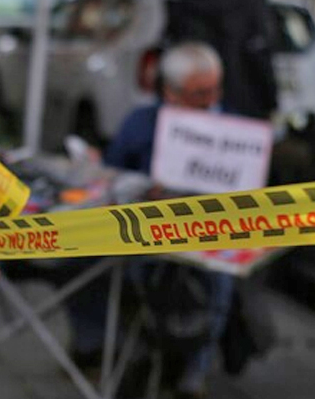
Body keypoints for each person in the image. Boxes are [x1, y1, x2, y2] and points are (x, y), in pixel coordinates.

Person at [105, 42, 234, 399]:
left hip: (211, 239)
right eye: (200, 94)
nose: (212, 100)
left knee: (220, 284)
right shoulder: (141, 123)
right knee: (124, 279)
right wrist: (142, 190)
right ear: (170, 92)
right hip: (148, 236)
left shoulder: (234, 126)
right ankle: (139, 355)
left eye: (216, 90)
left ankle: (194, 374)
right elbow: (111, 175)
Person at [165, 0, 278, 120]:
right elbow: (261, 59)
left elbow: (171, 57)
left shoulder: (185, 4)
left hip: (189, 110)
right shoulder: (254, 6)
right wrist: (271, 103)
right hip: (243, 111)